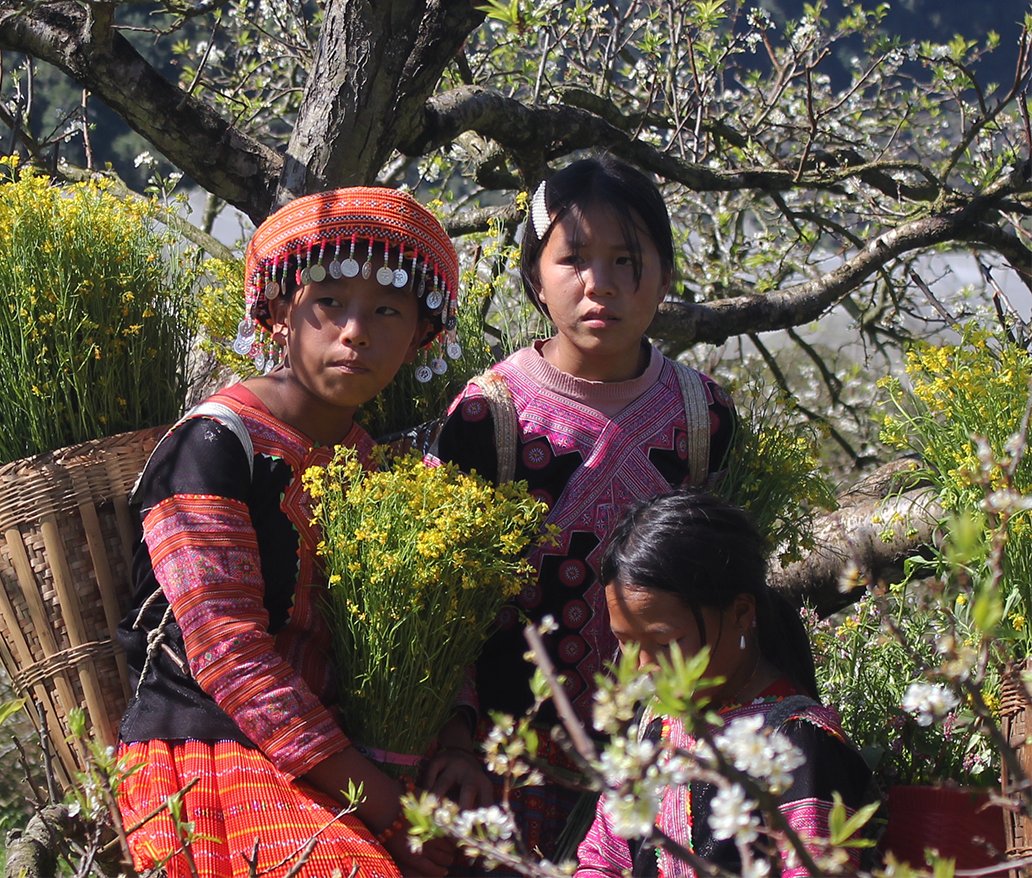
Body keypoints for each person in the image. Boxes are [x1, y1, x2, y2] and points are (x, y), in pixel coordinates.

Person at [115, 187, 464, 878]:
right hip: (208, 752)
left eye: (388, 309)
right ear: (277, 313)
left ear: (420, 338)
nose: (355, 330)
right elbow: (228, 656)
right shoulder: (216, 444)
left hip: (334, 762)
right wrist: (387, 809)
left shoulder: (378, 469)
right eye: (329, 302)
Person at [424, 157, 739, 853]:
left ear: (665, 275)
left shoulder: (702, 415)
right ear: (535, 278)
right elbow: (440, 599)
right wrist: (454, 736)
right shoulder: (489, 417)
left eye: (627, 260)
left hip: (660, 756)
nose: (600, 285)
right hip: (510, 763)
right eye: (574, 260)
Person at [578, 489, 872, 878]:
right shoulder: (652, 725)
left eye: (665, 643)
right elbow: (604, 860)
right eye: (626, 642)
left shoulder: (798, 744)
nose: (643, 668)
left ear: (740, 614)